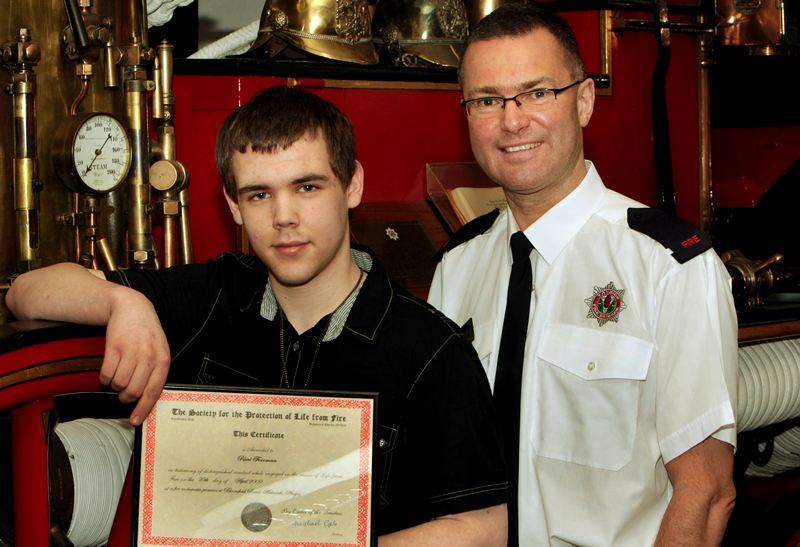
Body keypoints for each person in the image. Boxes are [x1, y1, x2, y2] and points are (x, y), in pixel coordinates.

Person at [7, 85, 508, 545]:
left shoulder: (430, 349)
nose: (283, 217)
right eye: (259, 194)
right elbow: (26, 292)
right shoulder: (211, 298)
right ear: (234, 205)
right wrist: (123, 301)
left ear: (352, 185)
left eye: (307, 187)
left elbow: (488, 524)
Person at [428, 4, 739, 546]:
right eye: (486, 100)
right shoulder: (457, 270)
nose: (512, 120)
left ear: (585, 101)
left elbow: (707, 493)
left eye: (537, 93)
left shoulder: (667, 266)